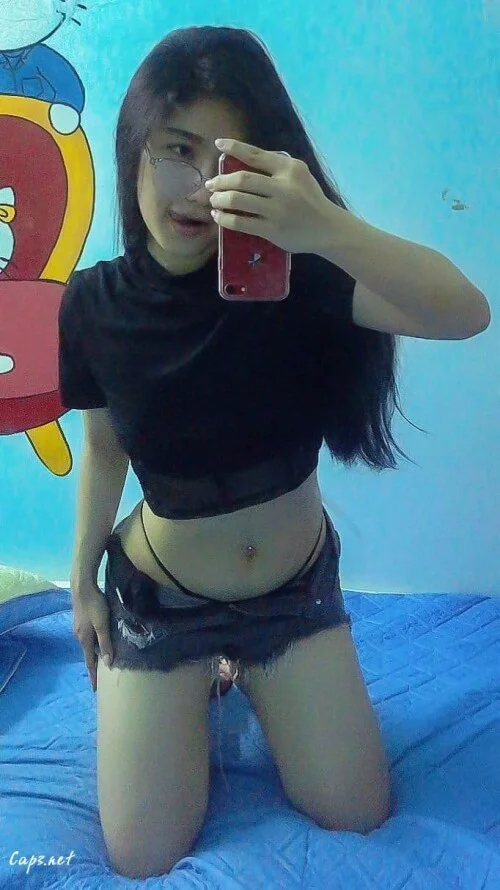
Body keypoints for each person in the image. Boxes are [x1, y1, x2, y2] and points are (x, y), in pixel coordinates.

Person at [58, 25, 489, 881]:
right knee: (142, 854)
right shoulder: (94, 306)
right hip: (164, 605)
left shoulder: (296, 275)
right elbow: (103, 451)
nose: (197, 187)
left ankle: (248, 677)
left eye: (227, 162)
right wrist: (80, 584)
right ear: (135, 149)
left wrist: (322, 224)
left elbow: (464, 311)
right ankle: (202, 680)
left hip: (294, 596)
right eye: (177, 151)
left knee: (357, 811)